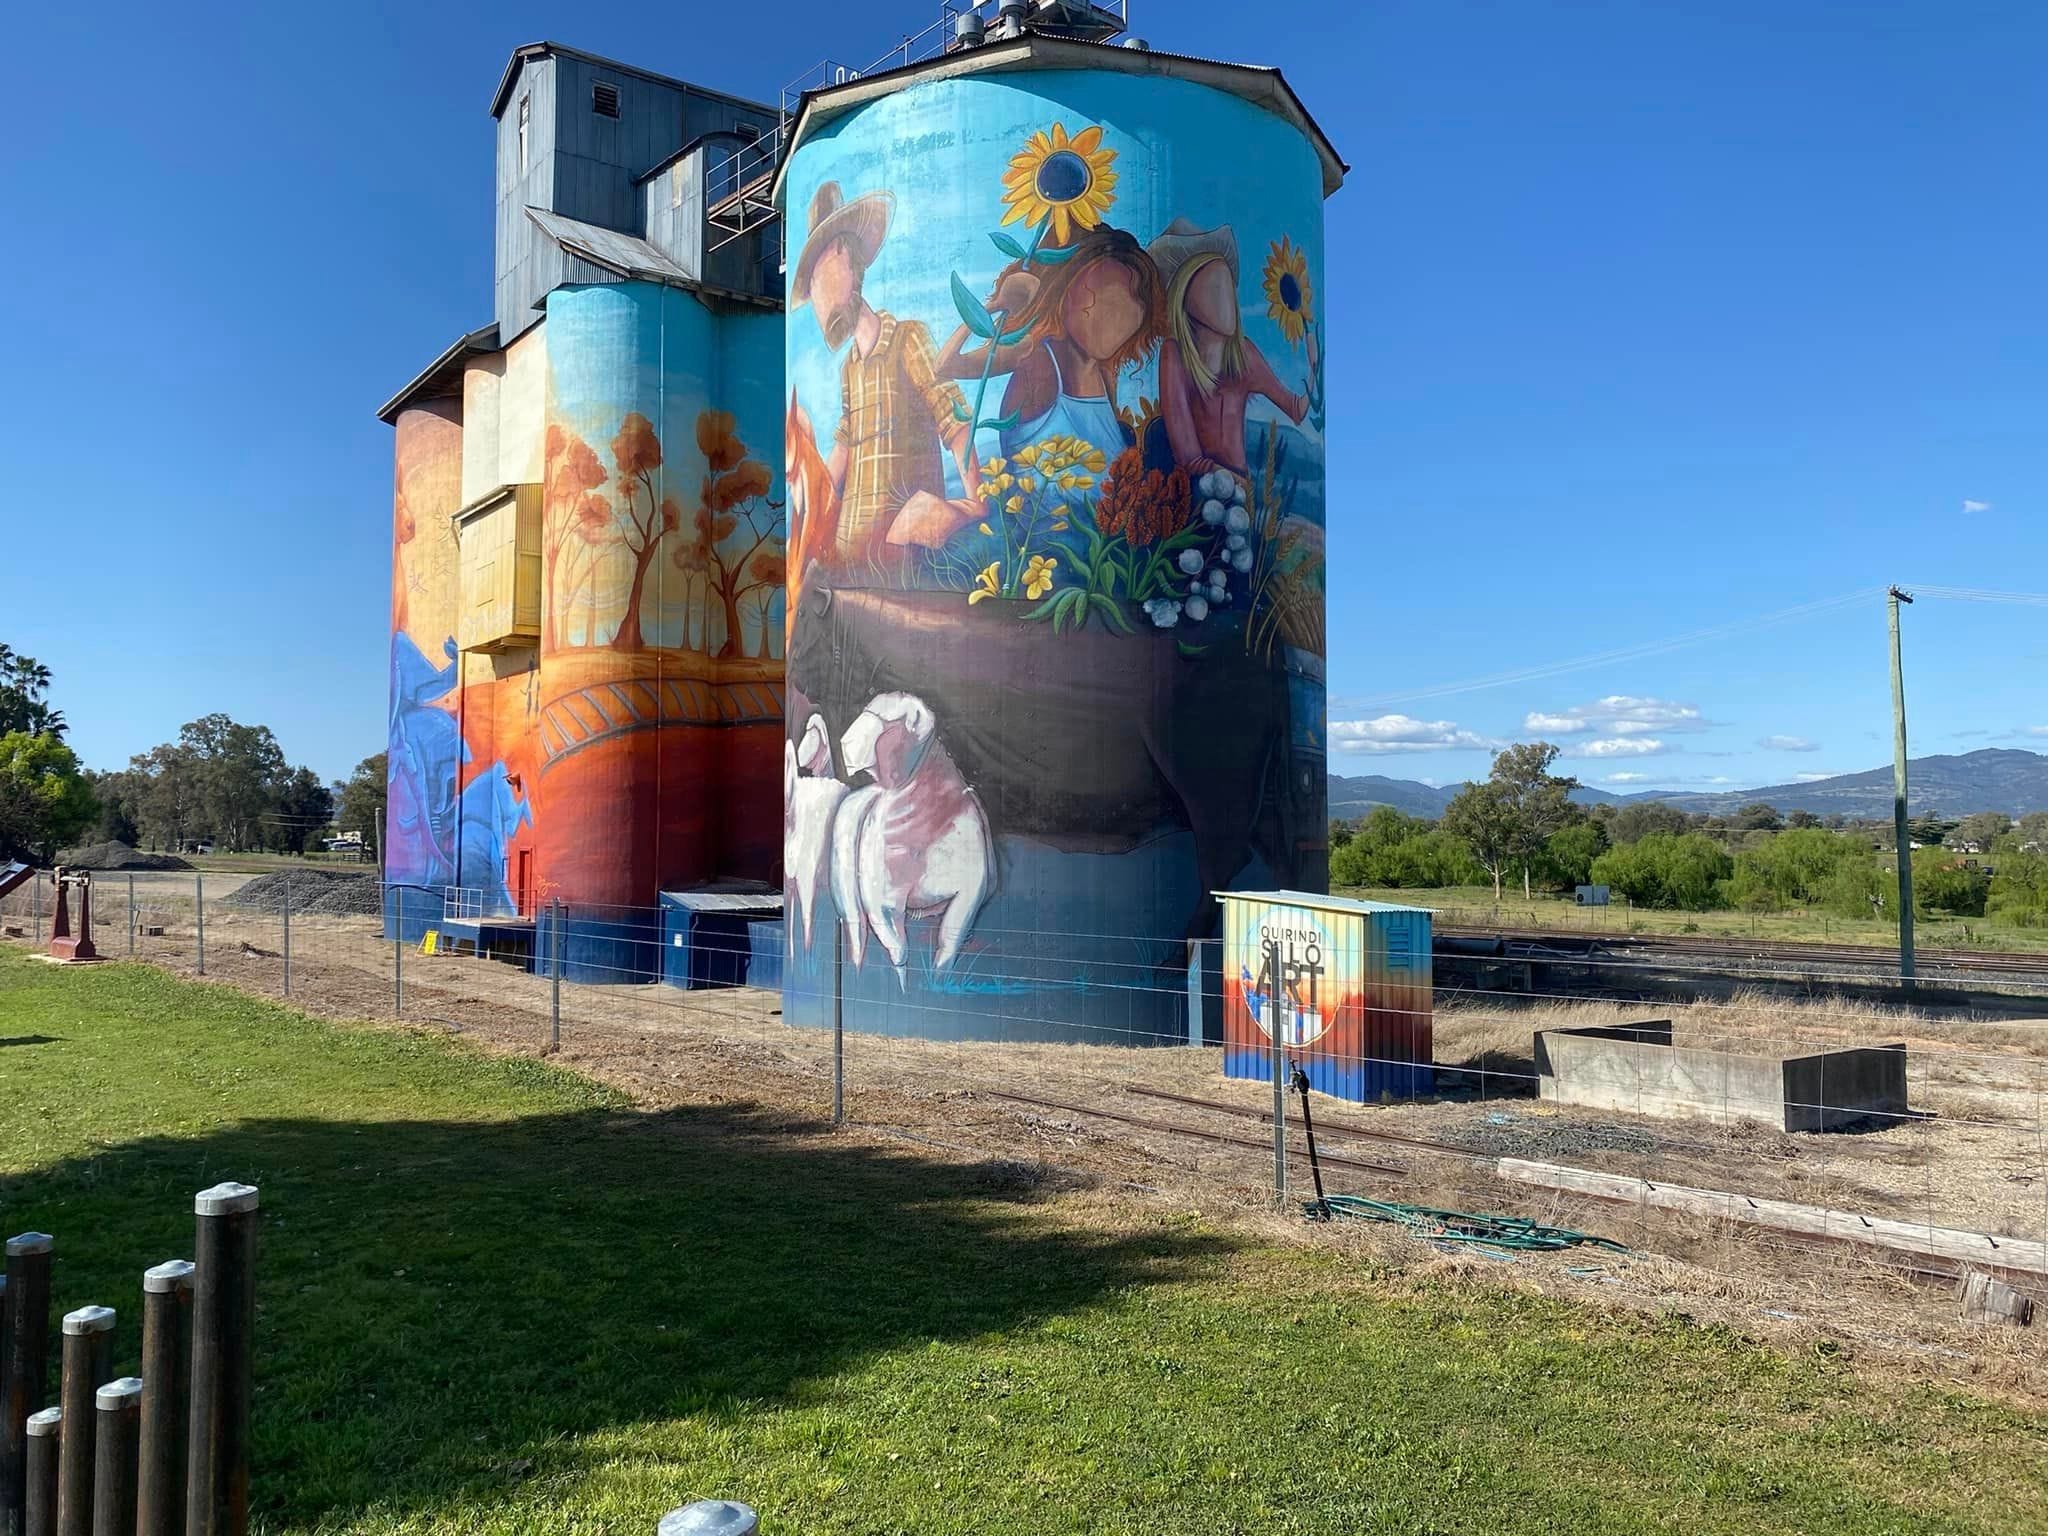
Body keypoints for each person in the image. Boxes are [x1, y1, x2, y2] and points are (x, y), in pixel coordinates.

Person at [790, 181, 981, 564]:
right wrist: (810, 508)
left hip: (901, 559)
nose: (820, 299)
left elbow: (956, 422)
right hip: (852, 561)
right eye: (812, 284)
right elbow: (844, 446)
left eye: (822, 273)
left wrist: (975, 503)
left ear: (847, 259)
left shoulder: (908, 339)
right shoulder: (850, 367)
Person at [936, 226, 1166, 482]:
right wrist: (997, 305)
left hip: (1100, 519)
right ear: (1062, 288)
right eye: (1095, 294)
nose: (1095, 309)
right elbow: (946, 365)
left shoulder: (1103, 370)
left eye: (1125, 302)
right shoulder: (1034, 355)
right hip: (1042, 520)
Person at [1147, 219, 1318, 482]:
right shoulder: (1175, 356)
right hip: (1199, 492)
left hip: (1239, 491)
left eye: (1227, 287)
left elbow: (1296, 409)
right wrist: (1233, 484)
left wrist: (1315, 368)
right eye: (1213, 289)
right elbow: (1188, 458)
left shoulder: (1242, 354)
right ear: (1185, 297)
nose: (1226, 300)